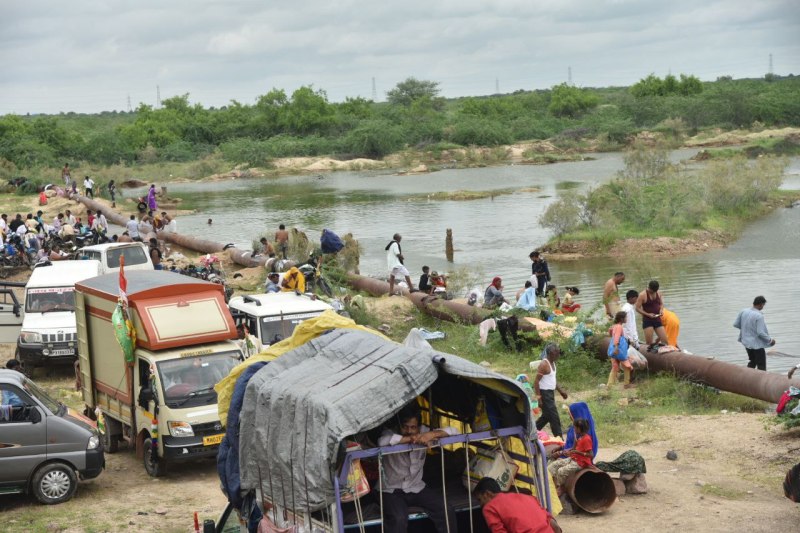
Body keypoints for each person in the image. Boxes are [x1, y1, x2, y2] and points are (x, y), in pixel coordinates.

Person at [378, 404, 458, 533]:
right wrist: (411, 439)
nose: (409, 431)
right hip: (391, 490)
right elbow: (382, 441)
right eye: (405, 427)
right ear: (399, 425)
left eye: (413, 427)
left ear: (419, 427)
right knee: (398, 519)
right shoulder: (390, 433)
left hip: (416, 487)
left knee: (446, 510)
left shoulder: (425, 432)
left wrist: (432, 434)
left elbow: (455, 431)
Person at [474, 477, 561, 533]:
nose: (481, 504)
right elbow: (552, 523)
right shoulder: (527, 497)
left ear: (487, 494)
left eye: (480, 499)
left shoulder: (489, 507)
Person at [547, 418, 594, 489]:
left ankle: (562, 488)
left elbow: (591, 455)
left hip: (580, 463)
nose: (574, 429)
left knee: (561, 471)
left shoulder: (587, 439)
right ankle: (553, 484)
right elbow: (573, 448)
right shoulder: (580, 437)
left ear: (579, 428)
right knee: (553, 465)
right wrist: (566, 451)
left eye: (575, 427)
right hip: (573, 458)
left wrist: (577, 452)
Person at [733, 295, 776, 371]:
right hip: (757, 345)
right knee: (761, 365)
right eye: (763, 305)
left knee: (752, 361)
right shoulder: (759, 316)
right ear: (761, 304)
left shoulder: (743, 311)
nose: (763, 307)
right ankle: (761, 381)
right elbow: (760, 333)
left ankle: (746, 377)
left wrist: (746, 329)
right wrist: (770, 341)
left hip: (746, 342)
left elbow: (736, 324)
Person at [534, 344, 567, 438]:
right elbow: (536, 382)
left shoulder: (553, 363)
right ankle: (559, 438)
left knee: (546, 416)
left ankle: (531, 431)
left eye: (558, 353)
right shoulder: (544, 364)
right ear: (549, 354)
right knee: (554, 417)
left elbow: (552, 380)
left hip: (550, 394)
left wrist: (561, 391)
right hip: (544, 394)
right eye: (555, 353)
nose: (557, 355)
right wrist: (539, 399)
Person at [635, 280, 668, 349]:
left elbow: (661, 304)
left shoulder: (658, 293)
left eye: (655, 291)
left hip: (657, 318)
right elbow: (637, 308)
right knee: (649, 343)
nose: (653, 292)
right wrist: (647, 314)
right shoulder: (642, 295)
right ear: (649, 288)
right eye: (652, 291)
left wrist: (661, 310)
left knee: (665, 341)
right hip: (648, 320)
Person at [607, 311, 633, 388]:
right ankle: (626, 383)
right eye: (626, 317)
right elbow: (617, 337)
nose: (627, 319)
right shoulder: (619, 327)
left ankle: (609, 385)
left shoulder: (614, 326)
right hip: (619, 350)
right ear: (622, 319)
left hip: (614, 350)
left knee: (615, 366)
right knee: (627, 366)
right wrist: (616, 347)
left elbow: (611, 333)